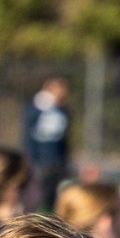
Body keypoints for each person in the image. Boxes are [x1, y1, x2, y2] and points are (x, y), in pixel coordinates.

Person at [22, 77, 73, 213]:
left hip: (55, 161)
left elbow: (63, 139)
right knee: (35, 197)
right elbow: (28, 131)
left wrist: (65, 162)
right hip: (38, 160)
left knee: (52, 201)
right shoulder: (35, 107)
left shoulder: (63, 110)